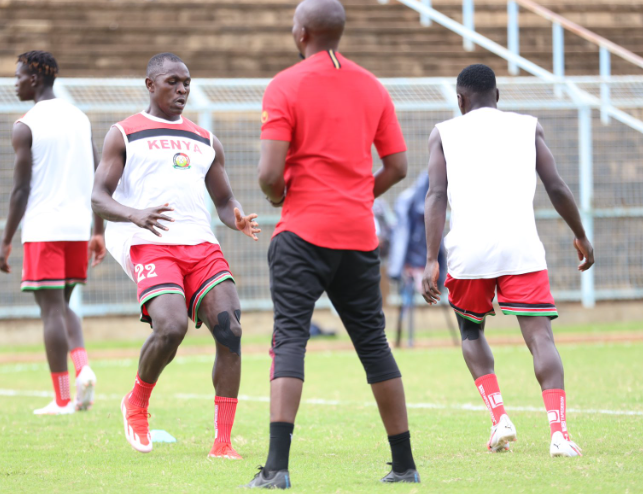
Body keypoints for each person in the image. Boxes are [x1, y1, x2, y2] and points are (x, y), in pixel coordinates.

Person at [245, 0, 420, 487]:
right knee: (374, 344)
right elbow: (398, 167)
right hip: (359, 236)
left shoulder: (286, 84)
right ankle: (404, 465)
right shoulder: (372, 86)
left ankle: (277, 469)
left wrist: (278, 195)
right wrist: (355, 195)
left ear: (301, 32)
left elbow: (268, 174)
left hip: (302, 233)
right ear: (337, 33)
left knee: (290, 339)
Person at [91, 53, 260, 459]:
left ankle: (222, 443)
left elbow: (223, 198)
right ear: (151, 85)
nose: (182, 89)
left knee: (230, 330)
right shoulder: (124, 133)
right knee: (170, 327)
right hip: (148, 241)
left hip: (200, 244)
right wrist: (135, 214)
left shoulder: (205, 140)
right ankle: (137, 401)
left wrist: (233, 216)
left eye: (186, 82)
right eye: (172, 82)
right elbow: (97, 196)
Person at [421, 64, 594, 457]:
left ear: (460, 100)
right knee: (540, 338)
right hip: (522, 249)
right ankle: (560, 434)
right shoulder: (527, 126)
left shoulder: (443, 133)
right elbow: (556, 186)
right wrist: (581, 234)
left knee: (471, 333)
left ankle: (500, 419)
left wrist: (432, 259)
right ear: (497, 97)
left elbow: (435, 196)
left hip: (468, 252)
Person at [0, 51, 106, 415]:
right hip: (77, 228)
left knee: (50, 312)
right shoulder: (79, 118)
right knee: (63, 305)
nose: (15, 82)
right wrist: (98, 230)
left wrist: (6, 239)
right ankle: (83, 368)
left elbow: (19, 191)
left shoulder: (26, 124)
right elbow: (97, 179)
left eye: (19, 76)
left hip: (43, 228)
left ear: (36, 79)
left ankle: (62, 399)